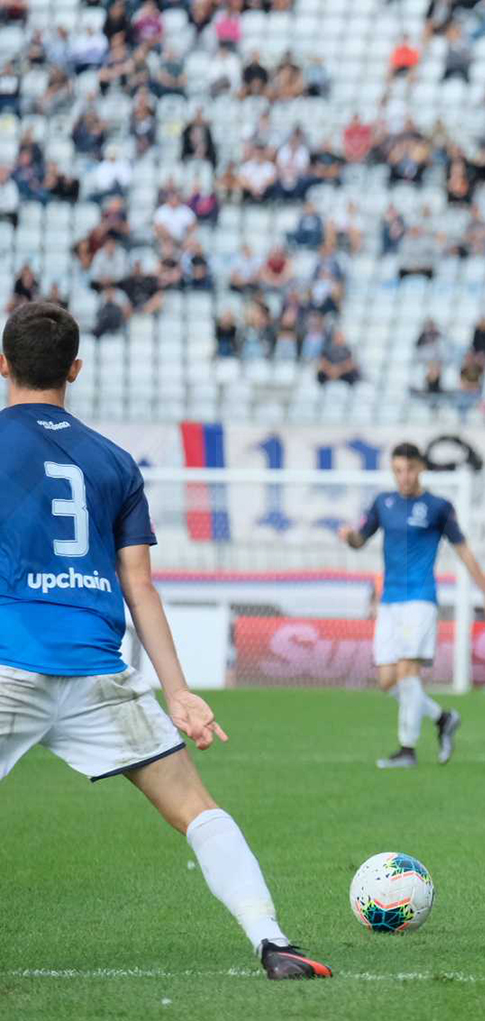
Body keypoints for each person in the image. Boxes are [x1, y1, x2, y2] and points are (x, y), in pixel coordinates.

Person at [0, 302, 331, 980]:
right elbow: (140, 585)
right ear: (76, 368)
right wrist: (178, 690)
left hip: (10, 662)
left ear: (2, 364)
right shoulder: (113, 460)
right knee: (197, 810)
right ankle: (273, 941)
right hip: (99, 672)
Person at [339, 443, 485, 769]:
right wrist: (349, 538)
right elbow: (361, 540)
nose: (404, 476)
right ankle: (442, 718)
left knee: (407, 670)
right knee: (388, 681)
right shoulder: (382, 503)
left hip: (420, 598)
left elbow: (464, 551)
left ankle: (407, 750)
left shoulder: (438, 507)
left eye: (410, 469)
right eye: (398, 470)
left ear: (421, 469)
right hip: (389, 600)